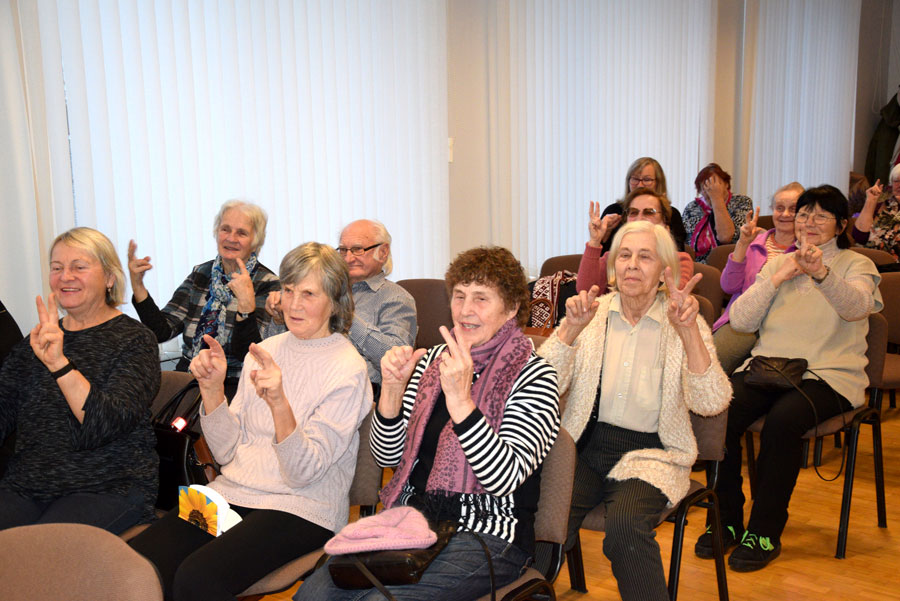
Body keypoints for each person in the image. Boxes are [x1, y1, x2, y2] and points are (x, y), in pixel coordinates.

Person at [295, 246, 561, 601]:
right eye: (459, 296)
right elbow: (387, 456)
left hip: (488, 533)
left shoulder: (535, 376)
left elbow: (503, 478)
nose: (465, 310)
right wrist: (392, 390)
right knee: (313, 595)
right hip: (410, 519)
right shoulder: (432, 361)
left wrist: (462, 403)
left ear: (511, 307)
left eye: (481, 298)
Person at [129, 242, 372, 601]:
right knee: (138, 564)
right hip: (232, 492)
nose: (294, 304)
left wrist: (279, 403)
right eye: (288, 290)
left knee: (197, 578)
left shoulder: (348, 369)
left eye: (309, 294)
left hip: (302, 507)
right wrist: (213, 391)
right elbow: (226, 453)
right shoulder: (266, 351)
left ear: (336, 302)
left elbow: (303, 474)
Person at [539, 221, 731, 601]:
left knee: (625, 529)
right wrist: (569, 332)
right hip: (585, 447)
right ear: (612, 267)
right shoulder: (591, 314)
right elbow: (540, 385)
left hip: (652, 454)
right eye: (624, 255)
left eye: (645, 257)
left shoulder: (684, 320)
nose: (631, 264)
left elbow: (711, 402)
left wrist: (689, 333)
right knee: (543, 521)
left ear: (664, 271)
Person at [696, 185, 882, 572]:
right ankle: (726, 520)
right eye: (804, 214)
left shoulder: (857, 265)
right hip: (770, 367)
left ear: (840, 225)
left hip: (829, 375)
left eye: (821, 216)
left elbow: (857, 307)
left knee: (782, 422)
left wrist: (822, 274)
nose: (808, 222)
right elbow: (742, 321)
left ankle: (764, 532)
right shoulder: (778, 263)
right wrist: (776, 278)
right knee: (718, 412)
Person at [0, 228, 159, 533]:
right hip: (28, 485)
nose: (65, 277)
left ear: (109, 277)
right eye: (57, 268)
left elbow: (105, 423)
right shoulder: (35, 342)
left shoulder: (136, 340)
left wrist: (59, 364)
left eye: (79, 267)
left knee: (40, 551)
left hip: (106, 486)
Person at [129, 200, 280, 386]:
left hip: (235, 384)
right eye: (225, 229)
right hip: (189, 377)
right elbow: (162, 331)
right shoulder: (201, 274)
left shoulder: (268, 284)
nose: (231, 238)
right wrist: (138, 286)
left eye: (241, 233)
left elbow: (250, 356)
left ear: (255, 242)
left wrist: (246, 306)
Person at [265, 219, 417, 394]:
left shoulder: (396, 298)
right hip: (298, 382)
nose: (348, 258)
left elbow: (397, 361)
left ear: (383, 252)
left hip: (357, 390)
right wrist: (279, 319)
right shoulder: (317, 289)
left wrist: (347, 315)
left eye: (358, 250)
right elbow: (273, 353)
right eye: (343, 250)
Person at [713, 182, 804, 375]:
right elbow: (728, 286)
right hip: (743, 321)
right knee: (708, 364)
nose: (785, 214)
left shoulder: (807, 251)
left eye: (793, 209)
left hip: (785, 326)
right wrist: (742, 244)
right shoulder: (755, 243)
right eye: (780, 208)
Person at [577, 188, 694, 293]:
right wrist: (595, 241)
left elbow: (673, 298)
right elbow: (585, 291)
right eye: (633, 212)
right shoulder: (612, 257)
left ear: (665, 224)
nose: (640, 218)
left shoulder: (679, 260)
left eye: (649, 212)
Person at [592, 157, 688, 254]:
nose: (640, 185)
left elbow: (677, 256)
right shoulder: (613, 211)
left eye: (647, 180)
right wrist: (602, 237)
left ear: (658, 183)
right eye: (635, 179)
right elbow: (600, 259)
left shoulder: (671, 214)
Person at [682, 163, 754, 263]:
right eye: (705, 186)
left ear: (726, 184)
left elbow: (726, 237)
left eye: (715, 185)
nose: (710, 190)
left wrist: (716, 198)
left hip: (730, 261)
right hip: (697, 264)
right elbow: (686, 246)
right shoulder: (692, 207)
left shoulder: (742, 202)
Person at [853, 163, 900, 261]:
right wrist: (870, 201)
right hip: (871, 261)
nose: (899, 185)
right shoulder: (882, 206)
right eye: (896, 181)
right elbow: (859, 237)